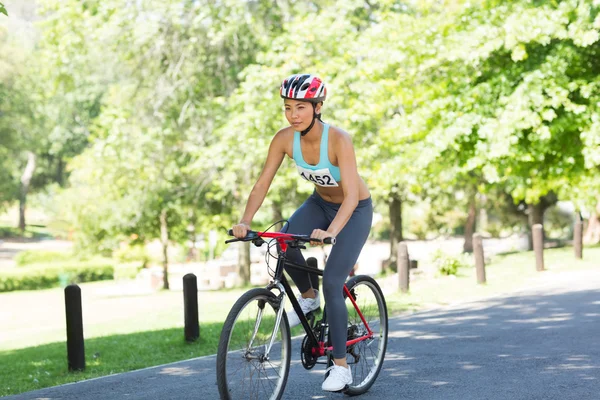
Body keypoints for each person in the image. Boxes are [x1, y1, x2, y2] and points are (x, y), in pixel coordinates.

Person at [231, 73, 373, 392]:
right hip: (319, 204)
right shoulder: (284, 139)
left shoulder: (338, 140)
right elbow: (263, 182)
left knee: (334, 282)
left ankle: (340, 367)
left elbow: (351, 196)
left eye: (300, 107)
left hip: (355, 211)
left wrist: (330, 232)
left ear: (318, 106)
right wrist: (245, 220)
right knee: (282, 243)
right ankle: (309, 299)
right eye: (287, 108)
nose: (293, 115)